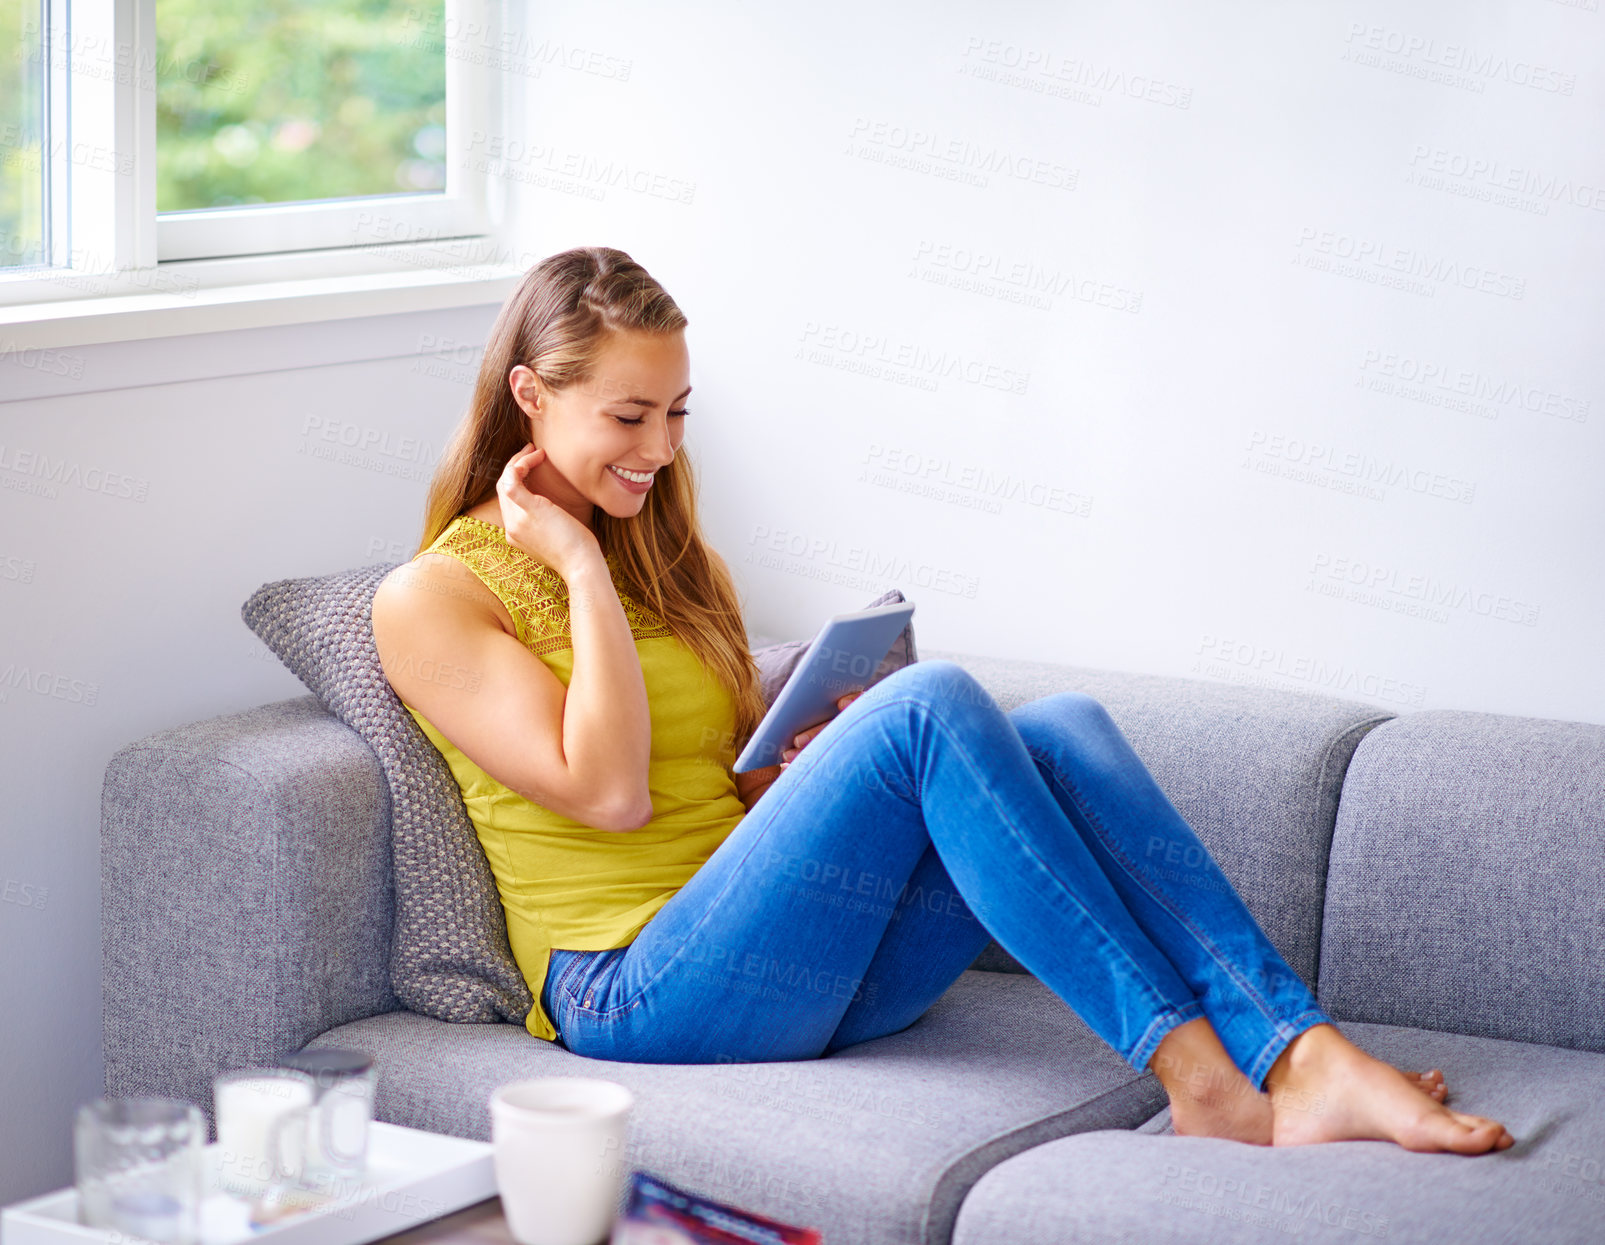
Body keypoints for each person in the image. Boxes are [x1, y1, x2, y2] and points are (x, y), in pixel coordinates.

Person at [371, 246, 1513, 1154]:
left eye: (678, 414)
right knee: (933, 710)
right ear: (530, 393)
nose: (661, 449)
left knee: (1058, 728)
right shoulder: (434, 597)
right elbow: (613, 794)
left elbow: (717, 795)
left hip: (788, 963)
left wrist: (801, 770)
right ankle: (1202, 1079)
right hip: (635, 996)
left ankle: (1296, 1050)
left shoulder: (670, 565)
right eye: (629, 417)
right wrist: (575, 570)